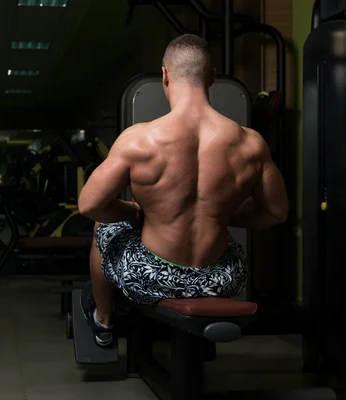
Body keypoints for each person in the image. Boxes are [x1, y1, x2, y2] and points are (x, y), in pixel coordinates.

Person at [78, 34, 288, 347]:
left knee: (103, 225)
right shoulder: (250, 143)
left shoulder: (140, 140)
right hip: (222, 280)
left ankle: (104, 321)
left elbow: (89, 205)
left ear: (164, 75)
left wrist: (134, 212)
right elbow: (276, 212)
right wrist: (223, 214)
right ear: (212, 78)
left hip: (150, 278)